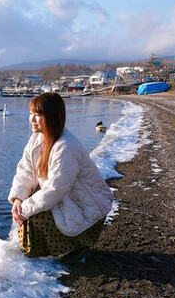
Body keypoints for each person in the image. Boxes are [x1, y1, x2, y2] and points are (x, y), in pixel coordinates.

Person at [8, 92, 113, 259]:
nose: (32, 120)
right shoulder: (37, 139)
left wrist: (24, 210)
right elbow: (25, 171)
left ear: (52, 117)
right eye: (31, 114)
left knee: (34, 215)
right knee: (28, 208)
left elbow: (55, 189)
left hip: (88, 204)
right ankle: (54, 249)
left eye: (38, 115)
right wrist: (18, 200)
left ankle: (73, 248)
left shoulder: (66, 146)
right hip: (69, 198)